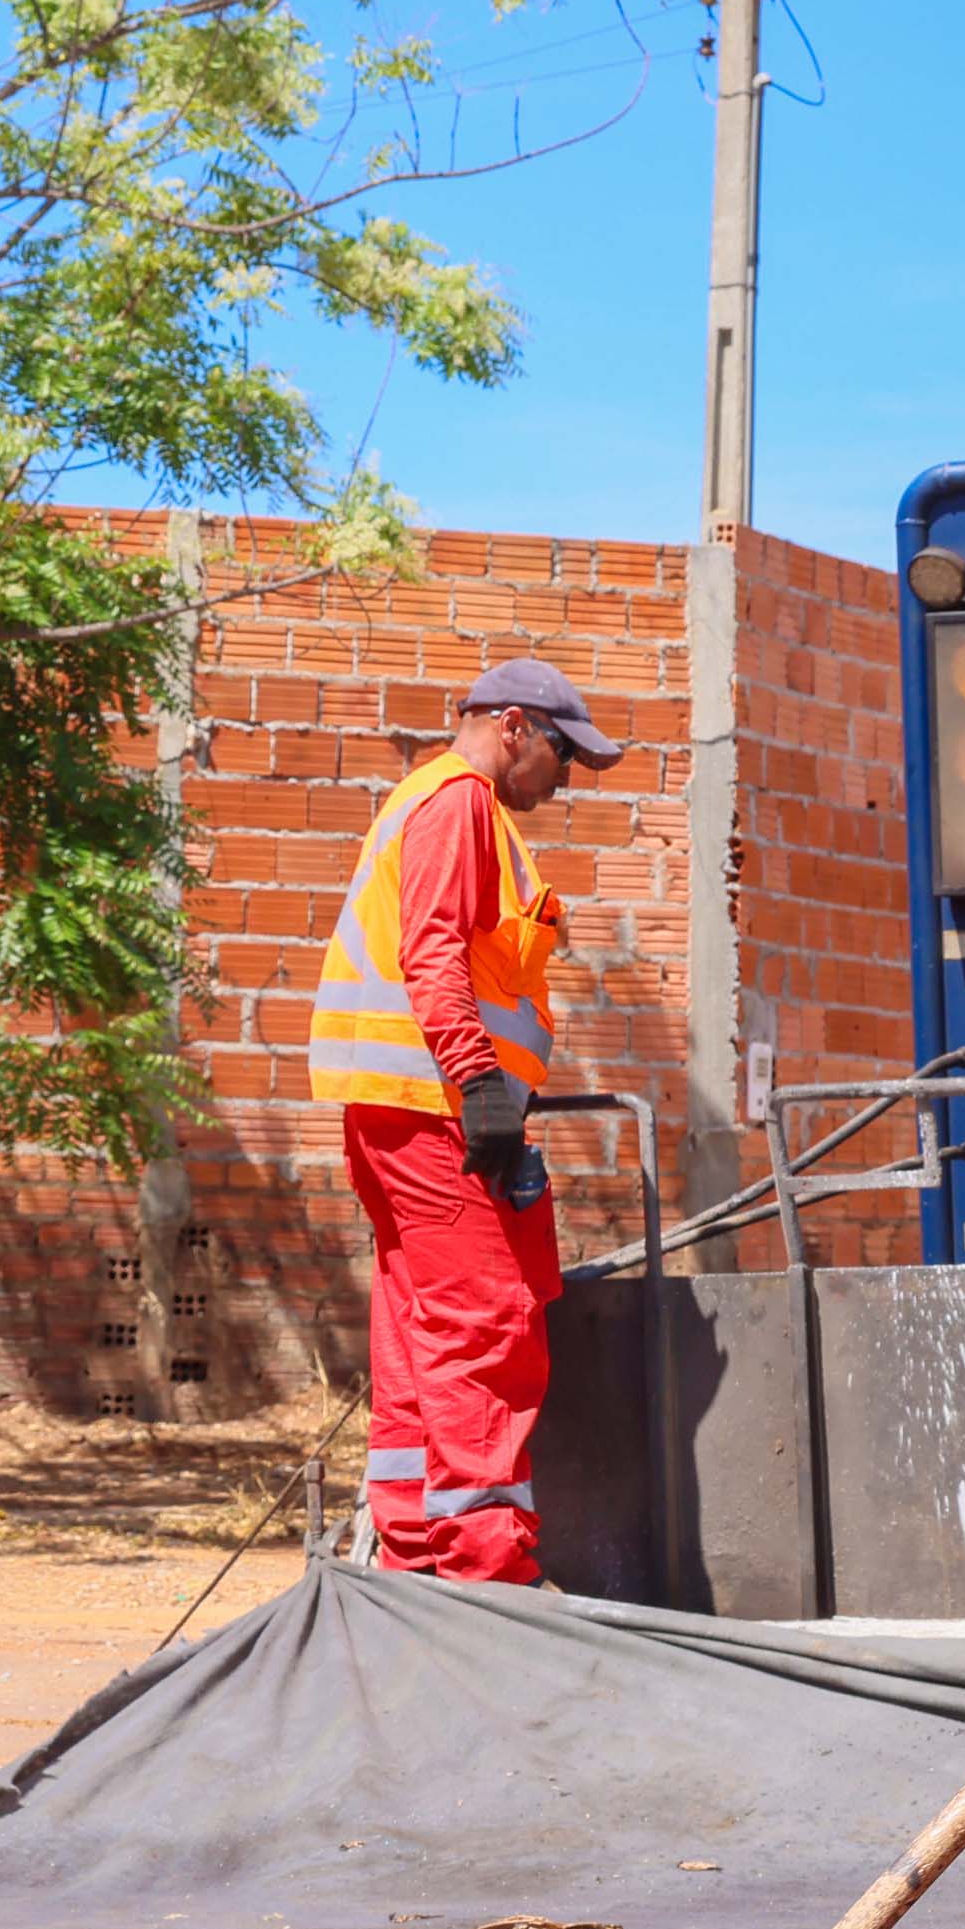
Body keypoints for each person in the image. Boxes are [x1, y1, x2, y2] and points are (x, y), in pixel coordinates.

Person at [304, 660, 630, 1583]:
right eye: (563, 755)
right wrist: (480, 1082)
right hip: (435, 1111)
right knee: (484, 1326)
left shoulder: (429, 801)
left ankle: (414, 1561)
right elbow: (434, 950)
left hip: (403, 1111)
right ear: (514, 727)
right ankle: (488, 1572)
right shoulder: (459, 804)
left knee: (422, 1329)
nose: (565, 780)